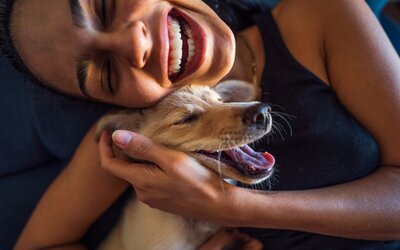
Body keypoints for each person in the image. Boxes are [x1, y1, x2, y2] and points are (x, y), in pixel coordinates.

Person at [0, 0, 399, 249]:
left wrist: (234, 206)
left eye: (103, 7)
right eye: (105, 75)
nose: (135, 45)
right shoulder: (129, 139)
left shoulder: (322, 14)